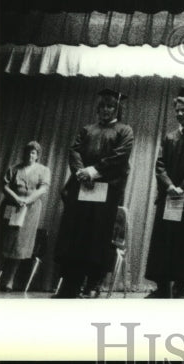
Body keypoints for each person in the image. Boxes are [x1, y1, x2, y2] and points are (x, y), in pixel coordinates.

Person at [54, 88, 134, 299]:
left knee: (97, 236)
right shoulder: (87, 129)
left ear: (117, 109)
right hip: (82, 189)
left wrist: (94, 171)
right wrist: (81, 171)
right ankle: (70, 284)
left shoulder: (125, 131)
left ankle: (93, 282)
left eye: (110, 106)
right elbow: (74, 151)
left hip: (105, 190)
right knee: (75, 234)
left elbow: (120, 157)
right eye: (103, 106)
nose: (106, 110)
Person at [145, 87, 184, 299]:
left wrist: (182, 187)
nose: (179, 113)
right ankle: (163, 287)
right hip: (168, 197)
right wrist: (169, 186)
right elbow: (160, 165)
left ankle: (180, 289)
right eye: (177, 110)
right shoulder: (169, 137)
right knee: (164, 240)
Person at [0, 140, 51, 292]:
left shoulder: (43, 170)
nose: (30, 155)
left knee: (19, 245)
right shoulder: (14, 168)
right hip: (10, 206)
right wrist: (16, 198)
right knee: (3, 242)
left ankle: (9, 281)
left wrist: (27, 200)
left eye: (33, 152)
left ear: (37, 156)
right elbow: (4, 185)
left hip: (30, 210)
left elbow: (43, 188)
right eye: (28, 151)